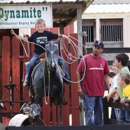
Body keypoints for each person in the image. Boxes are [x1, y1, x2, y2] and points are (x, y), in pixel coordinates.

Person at [17, 19, 71, 86]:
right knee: (29, 64)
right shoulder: (34, 35)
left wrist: (62, 36)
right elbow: (28, 40)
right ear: (35, 27)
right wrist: (21, 38)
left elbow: (56, 35)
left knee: (62, 61)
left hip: (48, 54)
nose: (39, 28)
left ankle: (66, 77)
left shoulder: (47, 33)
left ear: (44, 26)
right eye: (38, 26)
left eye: (41, 26)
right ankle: (27, 79)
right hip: (38, 54)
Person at [76, 40, 110, 125]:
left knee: (99, 111)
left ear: (102, 50)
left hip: (100, 91)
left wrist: (109, 89)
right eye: (95, 47)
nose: (96, 49)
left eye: (98, 48)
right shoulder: (85, 58)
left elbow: (105, 76)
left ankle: (98, 127)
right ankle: (89, 128)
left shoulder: (104, 61)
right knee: (89, 111)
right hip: (88, 91)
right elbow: (77, 71)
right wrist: (78, 87)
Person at [112, 53, 130, 122]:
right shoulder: (120, 70)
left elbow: (126, 84)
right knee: (121, 118)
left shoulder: (124, 70)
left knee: (127, 118)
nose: (115, 62)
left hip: (126, 99)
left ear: (120, 62)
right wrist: (118, 96)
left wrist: (126, 99)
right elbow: (120, 87)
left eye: (116, 61)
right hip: (122, 98)